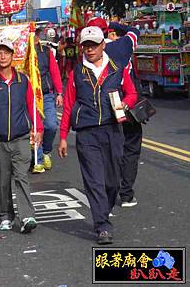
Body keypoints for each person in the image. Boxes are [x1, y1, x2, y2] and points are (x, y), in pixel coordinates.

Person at [58, 26, 138, 245]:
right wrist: (63, 136)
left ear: (104, 45)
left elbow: (132, 93)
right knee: (94, 181)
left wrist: (125, 103)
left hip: (113, 130)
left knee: (112, 182)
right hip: (86, 133)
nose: (90, 49)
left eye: (94, 44)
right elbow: (68, 105)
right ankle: (102, 225)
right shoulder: (76, 73)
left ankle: (105, 209)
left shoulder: (117, 68)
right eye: (86, 45)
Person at [0, 38, 43, 234]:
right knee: (2, 179)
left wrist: (38, 129)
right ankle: (5, 215)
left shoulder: (23, 81)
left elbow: (32, 106)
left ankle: (27, 215)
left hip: (20, 138)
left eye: (6, 52)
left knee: (22, 176)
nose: (3, 56)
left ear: (13, 56)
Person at [87, 18, 142, 208]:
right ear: (107, 31)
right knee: (131, 148)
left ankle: (106, 198)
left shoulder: (88, 54)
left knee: (106, 152)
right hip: (127, 105)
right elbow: (135, 31)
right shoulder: (123, 45)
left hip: (102, 110)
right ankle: (126, 194)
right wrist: (117, 25)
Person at [32, 28, 63, 173]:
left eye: (35, 34)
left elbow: (54, 72)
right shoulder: (20, 54)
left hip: (46, 94)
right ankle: (37, 160)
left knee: (51, 125)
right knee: (35, 128)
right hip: (29, 97)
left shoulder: (46, 52)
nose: (33, 37)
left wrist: (60, 93)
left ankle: (46, 151)